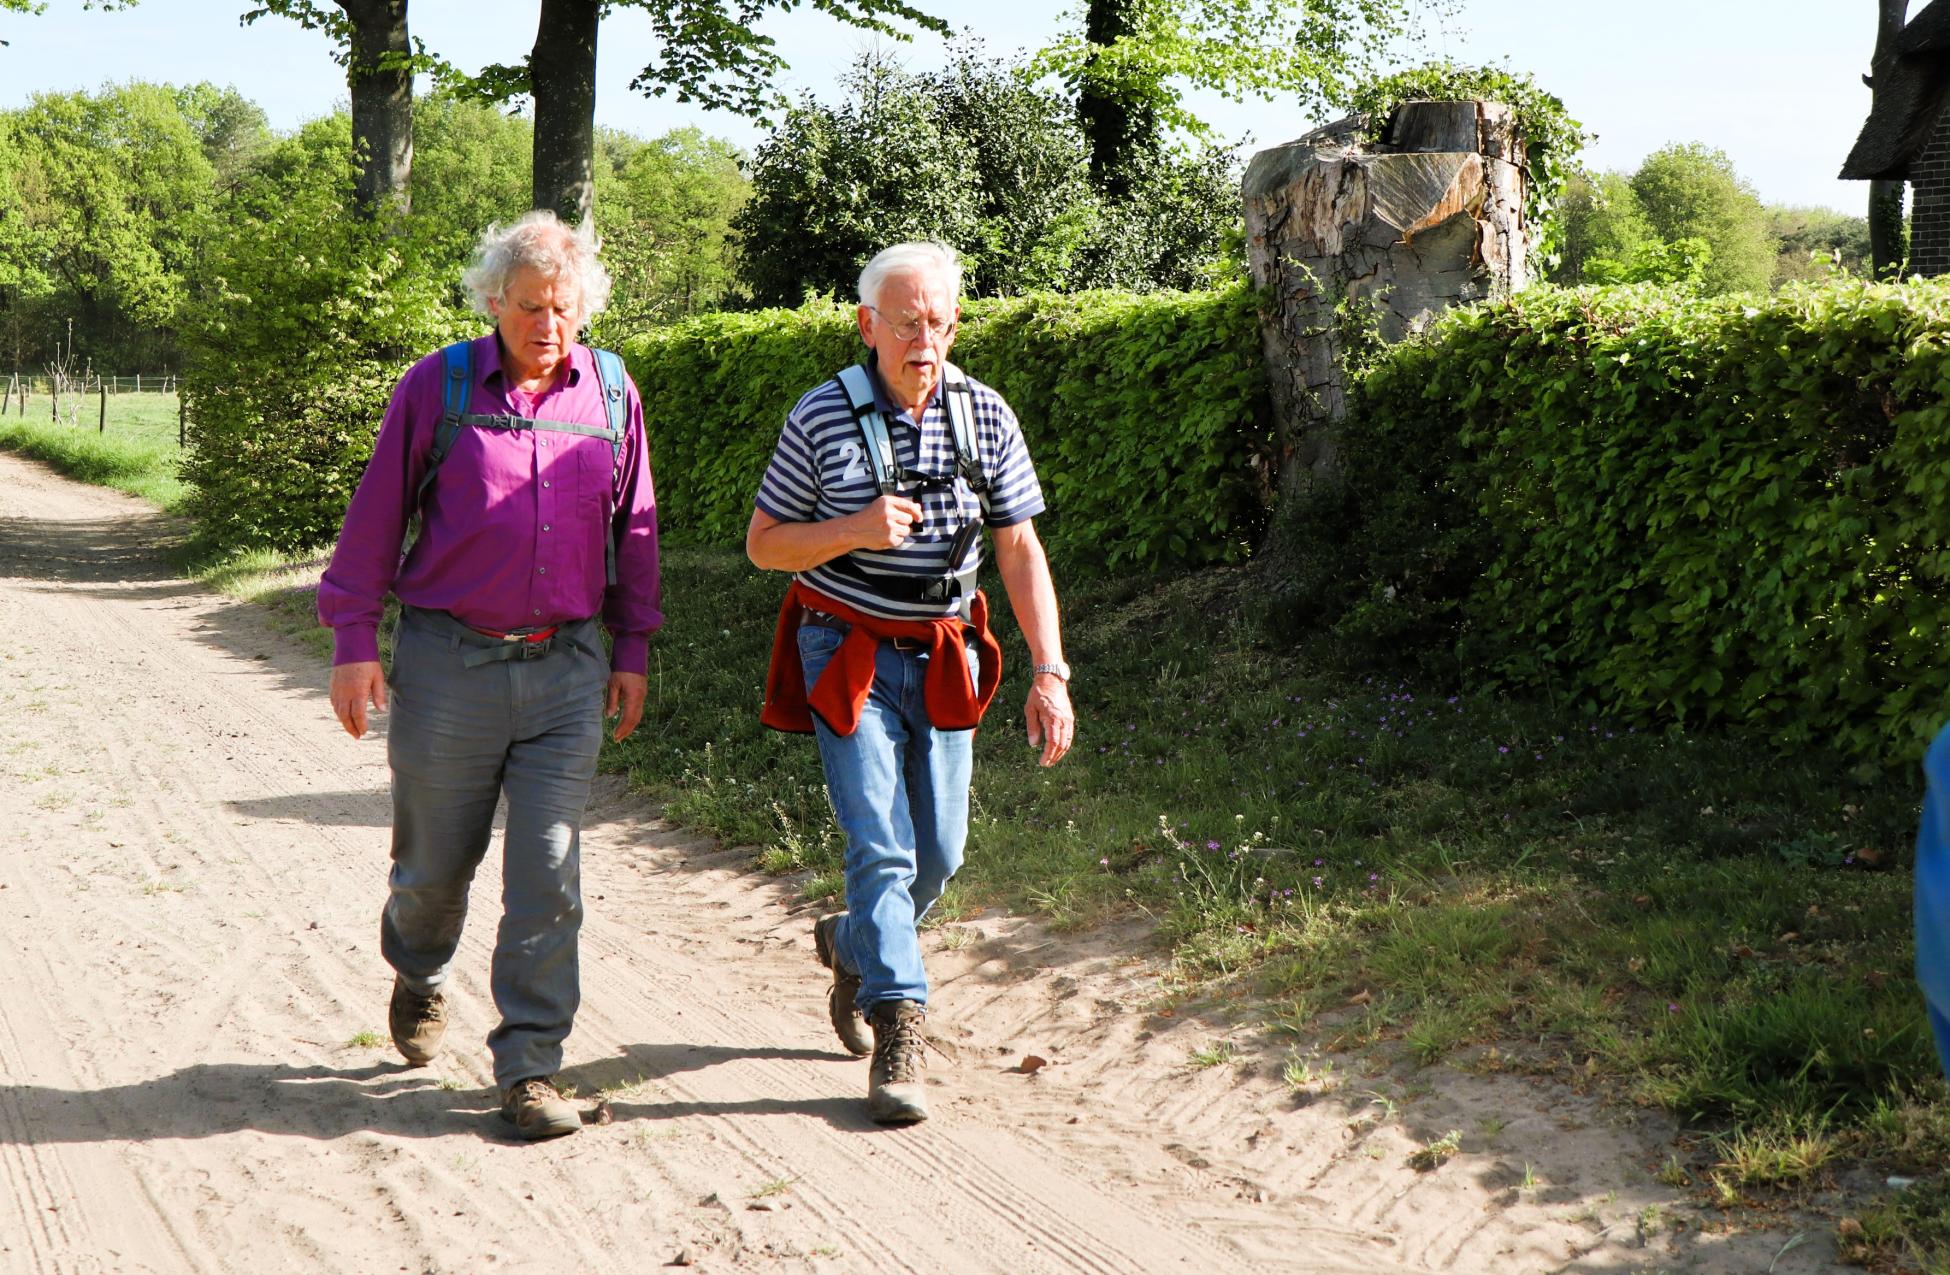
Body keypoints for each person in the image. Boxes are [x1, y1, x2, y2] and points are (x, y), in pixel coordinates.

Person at [318, 210, 661, 1141]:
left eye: (563, 307)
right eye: (527, 306)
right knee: (434, 870)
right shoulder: (440, 386)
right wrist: (353, 639)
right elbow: (376, 520)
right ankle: (420, 966)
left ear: (583, 307)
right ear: (492, 302)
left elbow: (637, 531)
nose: (546, 325)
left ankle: (530, 1067)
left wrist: (631, 649)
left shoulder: (614, 393)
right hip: (448, 664)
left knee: (548, 870)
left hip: (565, 667)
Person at [747, 241, 1075, 1125]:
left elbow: (1017, 548)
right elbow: (766, 543)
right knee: (881, 845)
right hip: (842, 645)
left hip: (943, 650)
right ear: (868, 326)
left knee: (943, 854)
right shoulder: (820, 416)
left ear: (955, 323)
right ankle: (899, 1022)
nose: (923, 338)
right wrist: (854, 527)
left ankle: (853, 941)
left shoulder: (986, 416)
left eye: (938, 321)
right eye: (905, 322)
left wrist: (1050, 671)